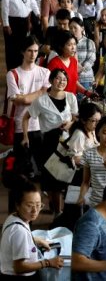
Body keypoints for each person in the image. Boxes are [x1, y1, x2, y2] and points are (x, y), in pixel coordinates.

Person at [22, 68, 78, 214]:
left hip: (67, 142)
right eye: (58, 78)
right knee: (53, 181)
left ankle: (60, 210)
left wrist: (70, 124)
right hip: (49, 143)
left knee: (66, 178)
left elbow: (75, 118)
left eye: (64, 79)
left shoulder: (71, 97)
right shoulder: (41, 101)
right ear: (51, 80)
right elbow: (26, 117)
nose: (61, 82)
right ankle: (58, 213)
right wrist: (25, 136)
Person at [0, 179, 64, 277]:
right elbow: (19, 267)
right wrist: (48, 263)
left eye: (38, 205)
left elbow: (16, 240)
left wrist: (37, 240)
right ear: (17, 205)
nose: (35, 210)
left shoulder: (13, 217)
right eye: (29, 206)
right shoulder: (19, 231)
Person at [7, 36, 50, 181]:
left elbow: (41, 100)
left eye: (36, 51)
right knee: (22, 170)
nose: (33, 55)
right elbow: (21, 101)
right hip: (20, 126)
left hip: (40, 124)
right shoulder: (13, 74)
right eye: (29, 51)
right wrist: (40, 92)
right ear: (22, 52)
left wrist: (25, 98)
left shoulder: (45, 72)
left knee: (41, 167)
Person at [2, 0, 40, 70]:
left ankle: (23, 70)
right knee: (12, 49)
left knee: (24, 47)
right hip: (12, 22)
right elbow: (4, 10)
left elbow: (32, 2)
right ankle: (11, 72)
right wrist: (6, 25)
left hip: (26, 21)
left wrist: (37, 14)